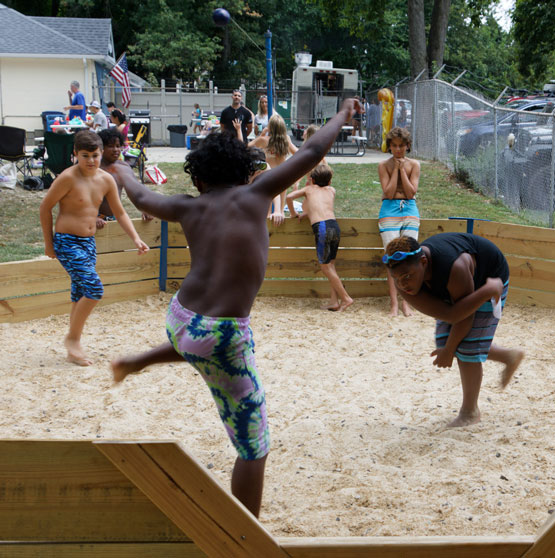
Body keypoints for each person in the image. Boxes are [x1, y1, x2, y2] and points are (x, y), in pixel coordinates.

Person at [109, 98, 362, 519]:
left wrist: (118, 169)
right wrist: (342, 114)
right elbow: (314, 152)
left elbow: (139, 194)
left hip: (180, 317)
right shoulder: (258, 193)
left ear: (201, 180)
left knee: (196, 344)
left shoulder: (186, 206)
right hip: (221, 335)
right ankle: (244, 537)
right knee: (254, 448)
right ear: (248, 173)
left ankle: (136, 362)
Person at [383, 233, 525, 427]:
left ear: (423, 262)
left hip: (490, 280)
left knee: (465, 349)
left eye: (408, 277)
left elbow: (464, 317)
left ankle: (470, 412)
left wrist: (486, 291)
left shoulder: (454, 266)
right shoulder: (402, 275)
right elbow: (449, 314)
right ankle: (508, 356)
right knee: (448, 342)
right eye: (396, 279)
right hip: (457, 287)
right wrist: (448, 349)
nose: (403, 284)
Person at [39, 130, 149, 366]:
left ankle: (72, 349)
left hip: (88, 242)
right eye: (85, 155)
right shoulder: (67, 178)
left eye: (95, 155)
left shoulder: (106, 179)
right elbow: (45, 207)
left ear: (101, 155)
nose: (90, 160)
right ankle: (72, 339)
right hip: (67, 241)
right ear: (75, 155)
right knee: (94, 288)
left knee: (80, 293)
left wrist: (136, 238)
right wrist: (49, 244)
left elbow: (119, 212)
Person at [287, 163, 354, 311]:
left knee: (325, 267)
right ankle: (334, 301)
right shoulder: (332, 190)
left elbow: (289, 197)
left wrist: (293, 214)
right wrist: (307, 213)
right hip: (334, 226)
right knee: (331, 266)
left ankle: (346, 298)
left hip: (322, 228)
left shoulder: (309, 189)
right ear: (330, 181)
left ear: (312, 179)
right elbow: (320, 206)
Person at [378, 127, 421, 317]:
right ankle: (394, 303)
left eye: (401, 146)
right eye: (394, 146)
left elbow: (411, 192)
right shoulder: (383, 165)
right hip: (389, 210)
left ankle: (406, 303)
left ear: (407, 146)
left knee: (409, 256)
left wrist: (402, 169)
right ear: (390, 147)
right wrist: (396, 169)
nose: (398, 150)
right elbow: (388, 192)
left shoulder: (415, 165)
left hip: (409, 209)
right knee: (392, 257)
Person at [95, 128, 154, 228]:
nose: (116, 150)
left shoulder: (124, 168)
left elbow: (135, 192)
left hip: (114, 219)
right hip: (93, 219)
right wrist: (91, 217)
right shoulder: (94, 167)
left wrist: (145, 209)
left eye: (118, 146)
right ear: (101, 148)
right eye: (110, 146)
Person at [250, 114, 299, 219]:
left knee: (267, 209)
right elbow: (298, 153)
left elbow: (246, 148)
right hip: (283, 174)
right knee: (280, 210)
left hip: (268, 175)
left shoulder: (263, 140)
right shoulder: (286, 139)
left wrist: (261, 135)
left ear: (270, 126)